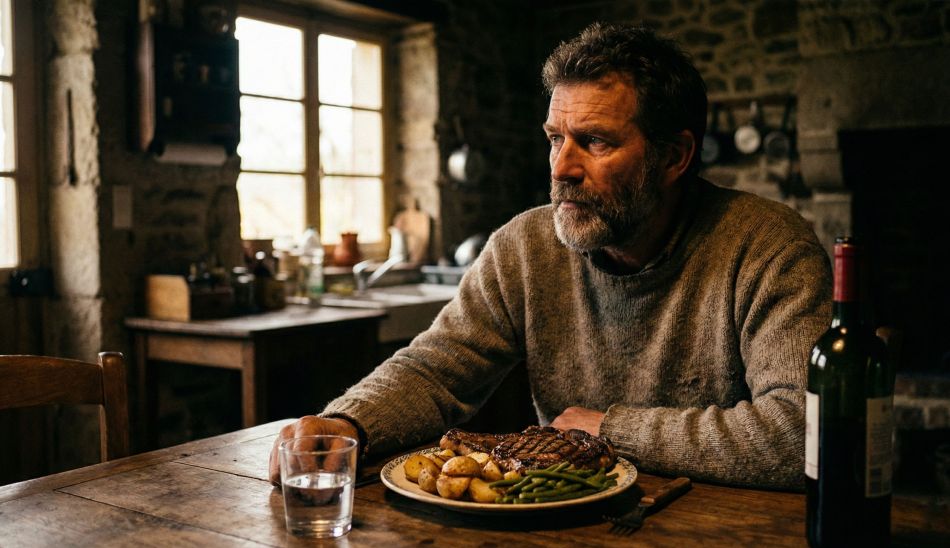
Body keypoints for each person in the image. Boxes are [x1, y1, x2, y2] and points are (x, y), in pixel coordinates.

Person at [269, 23, 831, 490]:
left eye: (596, 141)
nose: (561, 168)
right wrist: (347, 421)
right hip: (565, 527)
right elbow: (436, 370)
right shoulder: (524, 247)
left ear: (675, 156)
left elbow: (802, 432)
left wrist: (612, 429)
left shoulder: (767, 246)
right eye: (555, 138)